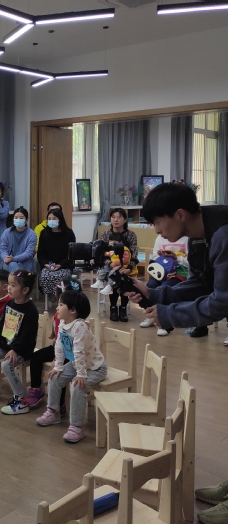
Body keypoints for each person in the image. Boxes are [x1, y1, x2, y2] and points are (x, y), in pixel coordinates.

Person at [127, 182, 228, 524]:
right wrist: (156, 295)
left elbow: (221, 302)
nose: (156, 230)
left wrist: (169, 315)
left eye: (158, 222)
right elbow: (203, 284)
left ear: (180, 214)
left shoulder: (223, 234)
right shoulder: (200, 234)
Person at [36, 290, 107, 443]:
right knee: (54, 377)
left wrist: (81, 375)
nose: (57, 307)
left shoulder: (79, 326)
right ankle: (53, 412)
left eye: (61, 304)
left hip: (95, 368)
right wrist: (58, 366)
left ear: (73, 310)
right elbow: (59, 346)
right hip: (77, 364)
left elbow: (79, 351)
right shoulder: (63, 323)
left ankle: (77, 426)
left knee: (77, 386)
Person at [0, 270, 39, 415]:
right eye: (9, 284)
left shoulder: (31, 310)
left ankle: (21, 400)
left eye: (13, 285)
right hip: (6, 345)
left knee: (6, 365)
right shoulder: (10, 303)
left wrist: (15, 350)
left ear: (25, 290)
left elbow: (27, 336)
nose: (8, 288)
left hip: (22, 349)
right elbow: (1, 325)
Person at [26, 277, 82, 410]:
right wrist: (57, 357)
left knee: (59, 371)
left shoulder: (79, 321)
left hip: (74, 353)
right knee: (36, 357)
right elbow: (58, 338)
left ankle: (60, 403)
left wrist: (57, 361)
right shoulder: (59, 316)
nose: (58, 306)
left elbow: (77, 347)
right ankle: (36, 388)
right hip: (59, 347)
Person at [91, 208, 138, 322]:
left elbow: (134, 255)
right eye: (113, 217)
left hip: (127, 267)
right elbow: (102, 254)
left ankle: (123, 308)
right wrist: (110, 264)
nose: (116, 220)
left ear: (125, 219)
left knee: (124, 278)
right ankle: (113, 307)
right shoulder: (105, 234)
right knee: (114, 276)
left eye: (119, 217)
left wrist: (128, 269)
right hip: (110, 266)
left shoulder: (131, 235)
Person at [139, 233, 189, 336]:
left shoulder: (187, 238)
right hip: (161, 270)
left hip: (179, 272)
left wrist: (175, 257)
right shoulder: (160, 238)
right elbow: (155, 257)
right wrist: (162, 257)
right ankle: (151, 316)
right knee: (150, 285)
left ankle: (164, 322)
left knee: (165, 287)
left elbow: (190, 262)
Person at [37, 208, 76, 300]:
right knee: (45, 276)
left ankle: (62, 297)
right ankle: (51, 295)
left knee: (62, 277)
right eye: (49, 219)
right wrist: (46, 264)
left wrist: (60, 265)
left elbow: (72, 253)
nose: (51, 221)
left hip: (64, 265)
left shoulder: (69, 233)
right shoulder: (44, 233)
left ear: (60, 219)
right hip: (48, 265)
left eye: (54, 219)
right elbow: (41, 253)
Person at [0, 206, 37, 272]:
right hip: (9, 263)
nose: (18, 220)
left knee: (14, 266)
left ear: (26, 220)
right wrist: (6, 258)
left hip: (25, 263)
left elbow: (28, 253)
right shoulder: (7, 232)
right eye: (16, 218)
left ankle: (18, 276)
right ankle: (18, 276)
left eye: (21, 218)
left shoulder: (31, 234)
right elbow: (2, 249)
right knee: (12, 265)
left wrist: (14, 259)